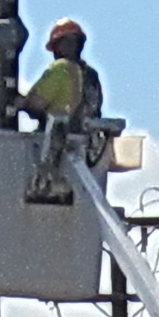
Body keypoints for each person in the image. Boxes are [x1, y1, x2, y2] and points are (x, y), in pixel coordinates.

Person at [19, 18, 105, 204]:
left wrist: (16, 101)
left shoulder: (60, 69)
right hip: (89, 152)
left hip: (59, 149)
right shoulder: (91, 75)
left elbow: (34, 104)